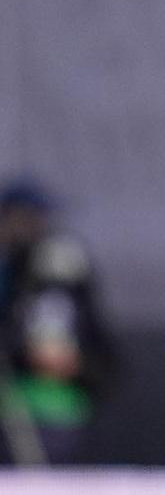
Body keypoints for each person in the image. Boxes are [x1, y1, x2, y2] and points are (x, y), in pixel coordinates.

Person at [0, 176, 117, 466]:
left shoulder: (67, 275)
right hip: (13, 419)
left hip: (67, 421)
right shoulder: (11, 273)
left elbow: (100, 349)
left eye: (39, 219)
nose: (36, 227)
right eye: (26, 218)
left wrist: (80, 365)